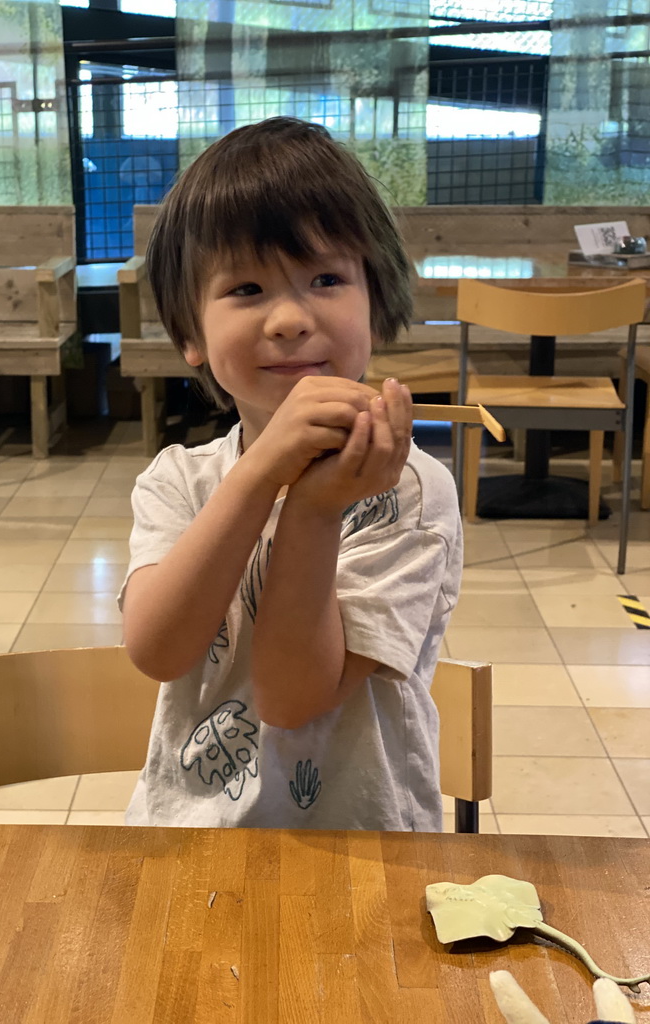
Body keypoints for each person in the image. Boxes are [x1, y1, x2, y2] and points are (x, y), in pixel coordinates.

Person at [119, 116, 462, 831]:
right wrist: (260, 473)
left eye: (326, 278)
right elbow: (158, 649)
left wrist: (312, 509)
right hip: (187, 837)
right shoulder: (178, 479)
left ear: (378, 298)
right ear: (189, 334)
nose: (287, 318)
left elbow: (292, 696)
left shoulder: (406, 489)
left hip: (358, 847)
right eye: (245, 289)